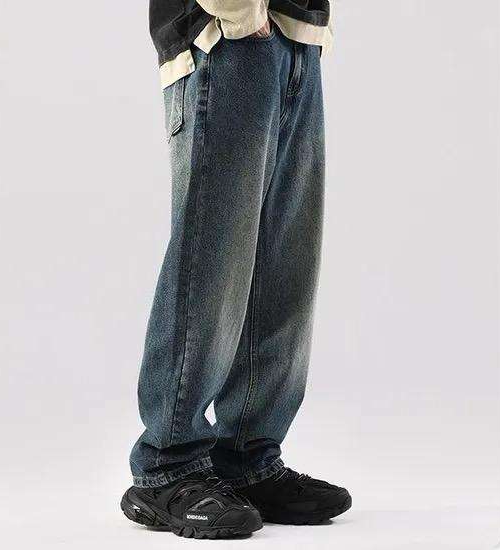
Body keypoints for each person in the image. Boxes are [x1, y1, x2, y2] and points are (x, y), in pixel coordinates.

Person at [121, 0, 351, 539]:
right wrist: (240, 13)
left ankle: (247, 457)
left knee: (283, 267)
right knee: (211, 266)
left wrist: (302, 34)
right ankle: (167, 467)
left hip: (294, 38)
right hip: (222, 35)